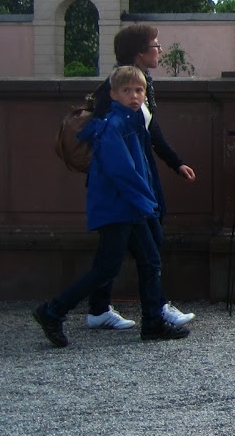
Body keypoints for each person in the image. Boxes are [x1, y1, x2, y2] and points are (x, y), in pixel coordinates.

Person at [32, 67, 190, 346]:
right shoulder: (115, 125)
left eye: (139, 90)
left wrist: (144, 200)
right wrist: (147, 201)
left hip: (128, 206)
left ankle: (152, 321)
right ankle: (52, 311)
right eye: (127, 91)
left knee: (147, 260)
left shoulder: (128, 122)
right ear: (114, 95)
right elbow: (123, 172)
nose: (134, 96)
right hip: (121, 207)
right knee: (111, 267)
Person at [85, 23, 196, 331]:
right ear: (139, 52)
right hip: (126, 182)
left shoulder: (137, 84)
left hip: (136, 177)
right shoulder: (119, 86)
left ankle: (102, 309)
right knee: (139, 247)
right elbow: (110, 135)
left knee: (121, 250)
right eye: (155, 45)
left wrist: (176, 163)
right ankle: (152, 309)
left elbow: (151, 130)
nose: (159, 50)